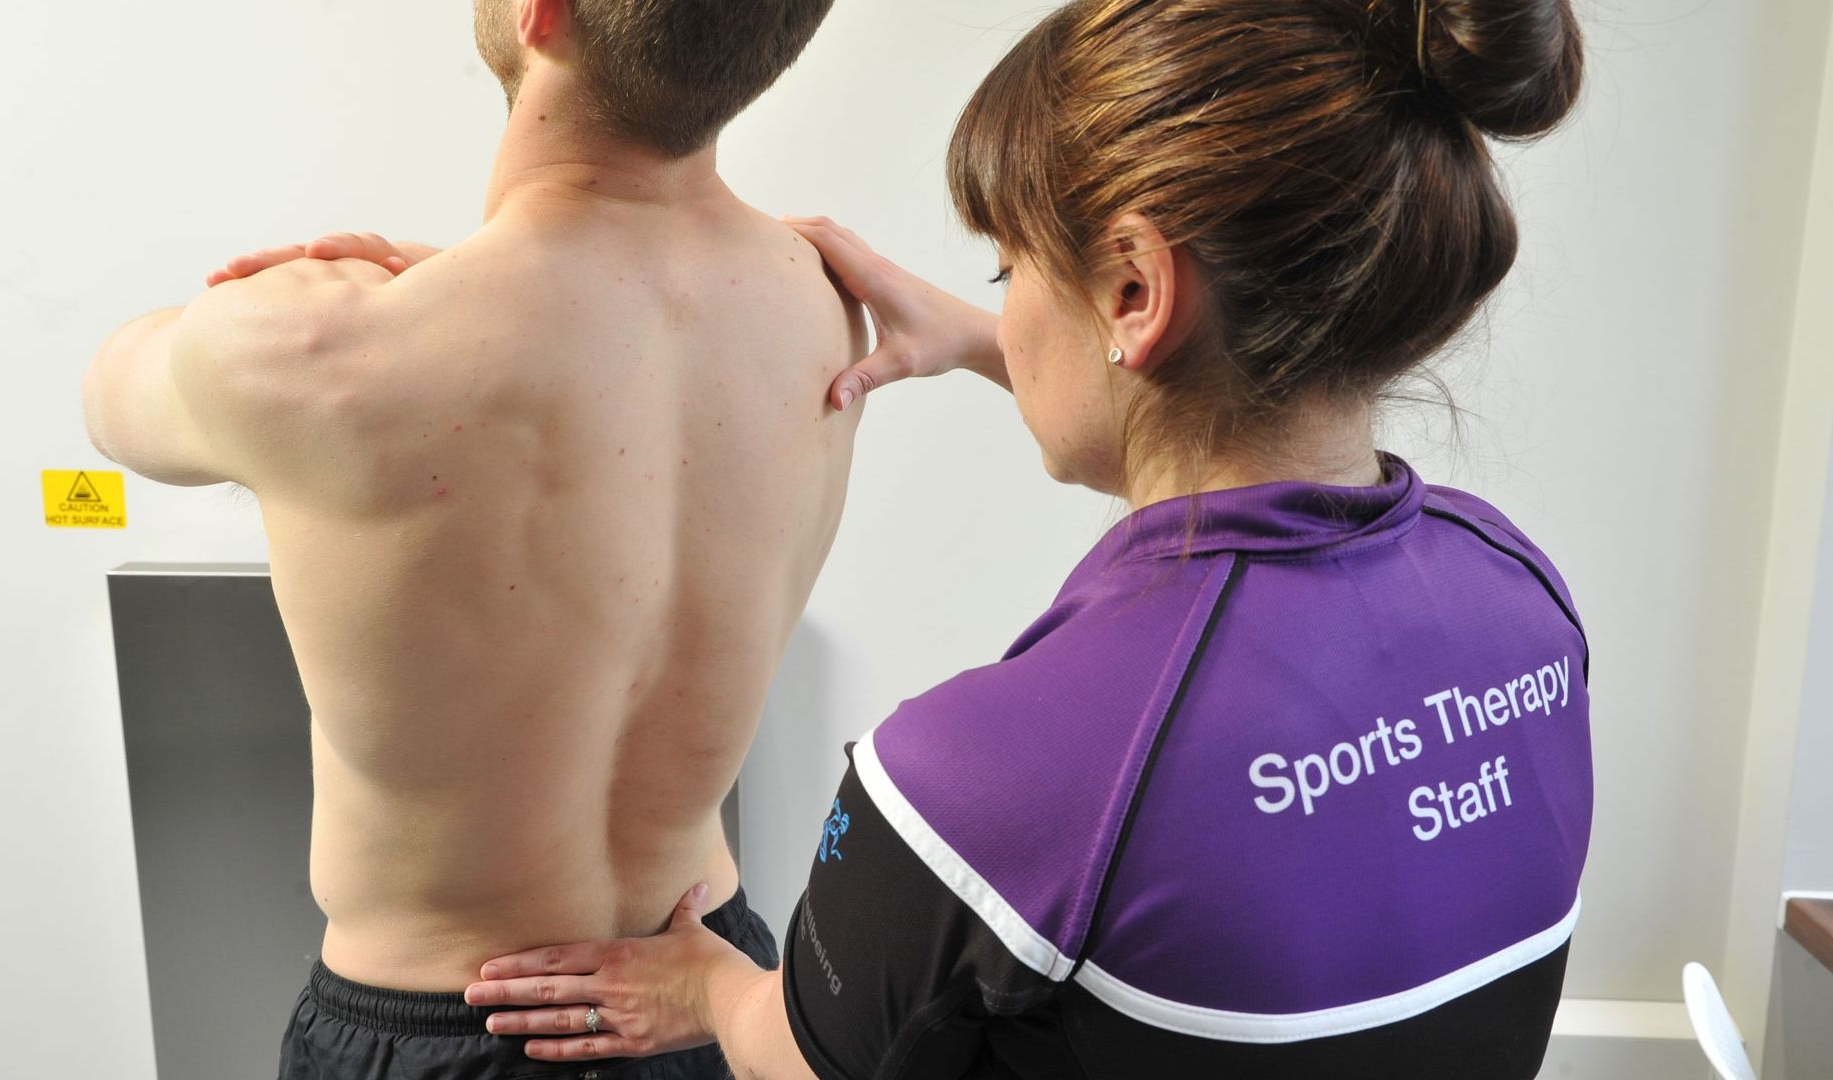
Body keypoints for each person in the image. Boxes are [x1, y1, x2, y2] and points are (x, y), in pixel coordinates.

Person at [458, 0, 1595, 1077]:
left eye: (1006, 268)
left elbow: (800, 1053)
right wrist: (977, 340)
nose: (999, 307)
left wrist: (706, 991)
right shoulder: (1519, 596)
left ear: (1137, 294)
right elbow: (1231, 448)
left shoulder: (994, 781)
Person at [81, 1, 859, 1076]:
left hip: (445, 1028)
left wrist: (354, 293)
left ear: (543, 13)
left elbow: (112, 396)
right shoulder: (826, 310)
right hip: (705, 995)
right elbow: (619, 339)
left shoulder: (312, 343)